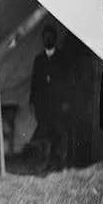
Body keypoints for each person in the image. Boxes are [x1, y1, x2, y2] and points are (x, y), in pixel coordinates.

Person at [29, 24, 68, 171]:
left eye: (50, 37)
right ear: (42, 40)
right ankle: (44, 163)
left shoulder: (62, 58)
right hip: (42, 105)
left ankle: (58, 164)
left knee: (58, 133)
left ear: (55, 39)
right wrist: (32, 102)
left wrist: (65, 101)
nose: (48, 39)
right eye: (45, 37)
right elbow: (34, 82)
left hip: (57, 104)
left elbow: (66, 81)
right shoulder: (38, 60)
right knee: (44, 133)